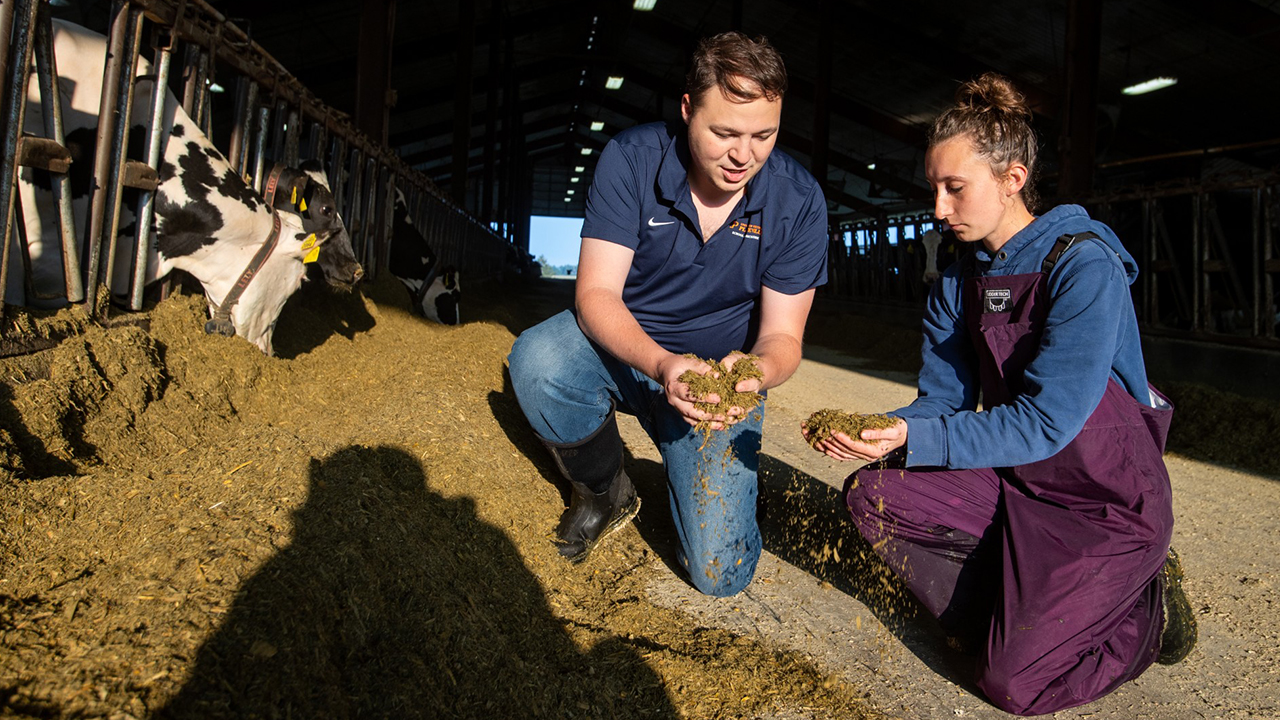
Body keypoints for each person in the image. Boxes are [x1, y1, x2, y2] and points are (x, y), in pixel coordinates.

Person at [803, 73, 1196, 715]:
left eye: (954, 188)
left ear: (1013, 179)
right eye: (933, 187)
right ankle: (1017, 614)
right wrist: (881, 427)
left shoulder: (1082, 264)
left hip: (1103, 503)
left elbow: (1047, 421)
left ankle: (1145, 614)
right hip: (1018, 484)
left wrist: (914, 438)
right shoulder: (956, 284)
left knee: (1012, 684)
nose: (937, 208)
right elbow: (941, 407)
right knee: (875, 493)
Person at [507, 32, 828, 597]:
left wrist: (750, 376)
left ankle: (719, 488)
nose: (743, 155)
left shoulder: (798, 201)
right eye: (724, 133)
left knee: (719, 577)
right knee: (539, 358)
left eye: (763, 135)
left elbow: (782, 336)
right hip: (628, 350)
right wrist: (660, 364)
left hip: (714, 384)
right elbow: (596, 297)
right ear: (686, 110)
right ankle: (605, 490)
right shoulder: (630, 160)